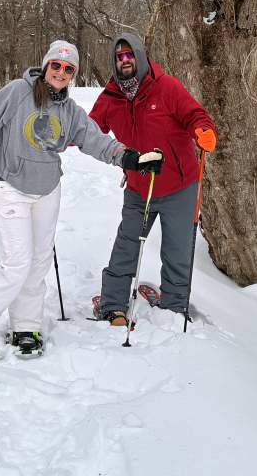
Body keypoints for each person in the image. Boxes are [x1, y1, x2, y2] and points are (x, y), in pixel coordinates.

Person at [0, 40, 163, 356]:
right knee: (16, 261)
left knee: (39, 261)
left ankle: (25, 327)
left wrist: (131, 158)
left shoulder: (71, 113)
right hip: (9, 186)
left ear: (73, 75)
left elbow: (97, 142)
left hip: (47, 191)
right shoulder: (18, 92)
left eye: (68, 68)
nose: (61, 72)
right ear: (45, 66)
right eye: (56, 65)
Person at [89, 32, 216, 326]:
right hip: (138, 188)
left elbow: (195, 115)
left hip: (180, 186)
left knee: (178, 250)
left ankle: (174, 306)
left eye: (130, 54)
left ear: (140, 56)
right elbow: (88, 130)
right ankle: (112, 305)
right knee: (126, 246)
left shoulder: (166, 87)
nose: (125, 61)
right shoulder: (110, 97)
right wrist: (58, 134)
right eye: (119, 57)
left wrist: (203, 131)